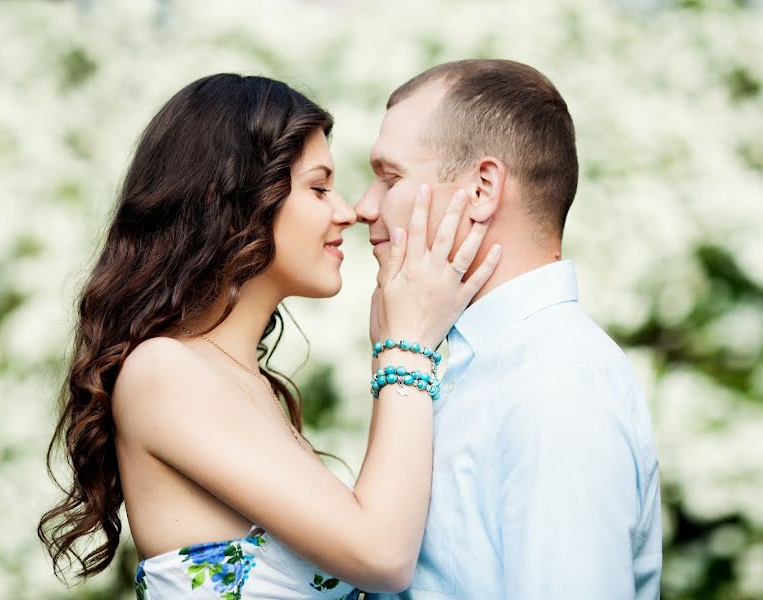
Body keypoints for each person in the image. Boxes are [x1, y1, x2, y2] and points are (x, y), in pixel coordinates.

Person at [37, 73, 502, 599]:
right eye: (319, 187)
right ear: (228, 199)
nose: (347, 212)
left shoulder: (239, 380)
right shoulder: (163, 371)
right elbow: (383, 555)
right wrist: (406, 348)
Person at [356, 59, 663, 599]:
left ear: (481, 189)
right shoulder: (475, 367)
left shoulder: (558, 382)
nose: (363, 206)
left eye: (390, 177)